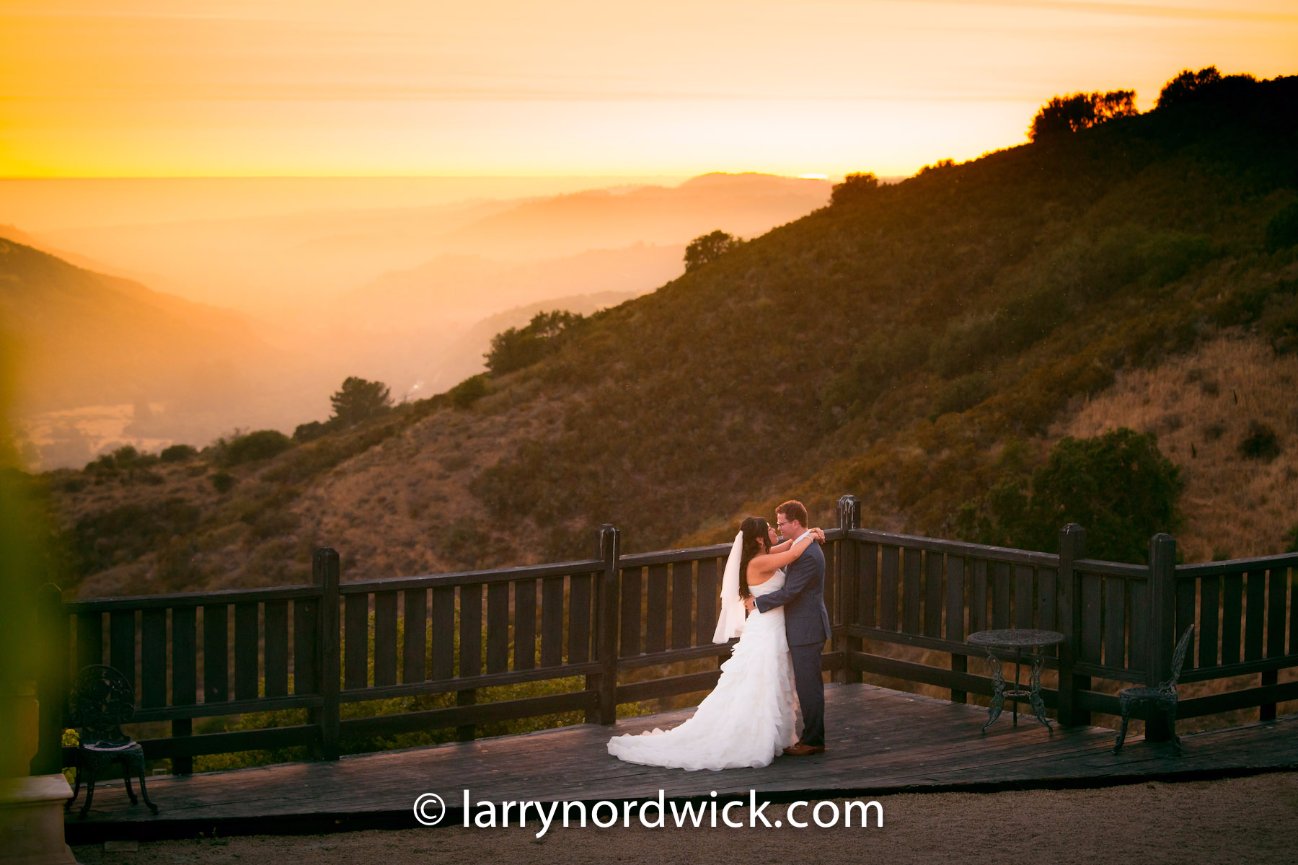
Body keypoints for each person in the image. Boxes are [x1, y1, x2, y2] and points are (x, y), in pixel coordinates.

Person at [606, 517, 823, 770]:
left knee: (768, 681)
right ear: (759, 538)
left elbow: (789, 547)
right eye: (769, 528)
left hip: (770, 627)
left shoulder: (765, 554)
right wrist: (812, 534)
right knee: (761, 681)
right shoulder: (761, 561)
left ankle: (769, 735)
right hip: (766, 630)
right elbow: (795, 551)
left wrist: (810, 532)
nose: (775, 530)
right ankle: (750, 737)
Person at [745, 500, 829, 756]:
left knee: (808, 686)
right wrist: (813, 532)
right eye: (776, 524)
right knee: (803, 684)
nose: (779, 528)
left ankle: (814, 740)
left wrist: (759, 603)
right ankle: (808, 737)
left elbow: (791, 591)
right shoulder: (800, 545)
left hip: (807, 629)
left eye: (782, 523)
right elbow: (790, 549)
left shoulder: (808, 555)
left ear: (795, 522)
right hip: (799, 627)